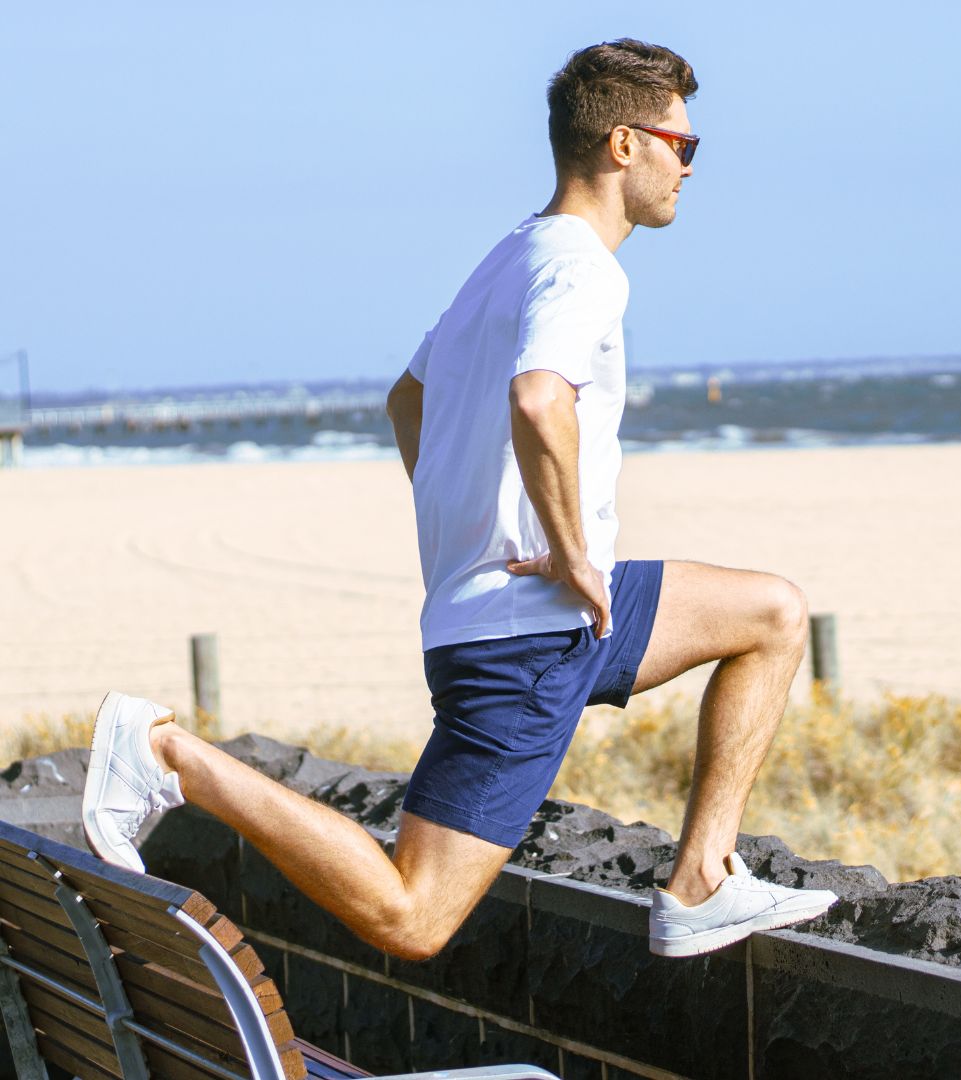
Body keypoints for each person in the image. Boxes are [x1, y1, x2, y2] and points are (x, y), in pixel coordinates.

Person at [82, 39, 836, 960]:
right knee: (413, 916)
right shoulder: (584, 269)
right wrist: (564, 550)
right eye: (685, 144)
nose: (689, 166)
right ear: (624, 145)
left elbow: (410, 398)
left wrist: (477, 529)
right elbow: (537, 397)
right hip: (524, 635)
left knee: (770, 613)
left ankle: (701, 881)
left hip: (546, 615)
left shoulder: (513, 254)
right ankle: (170, 757)